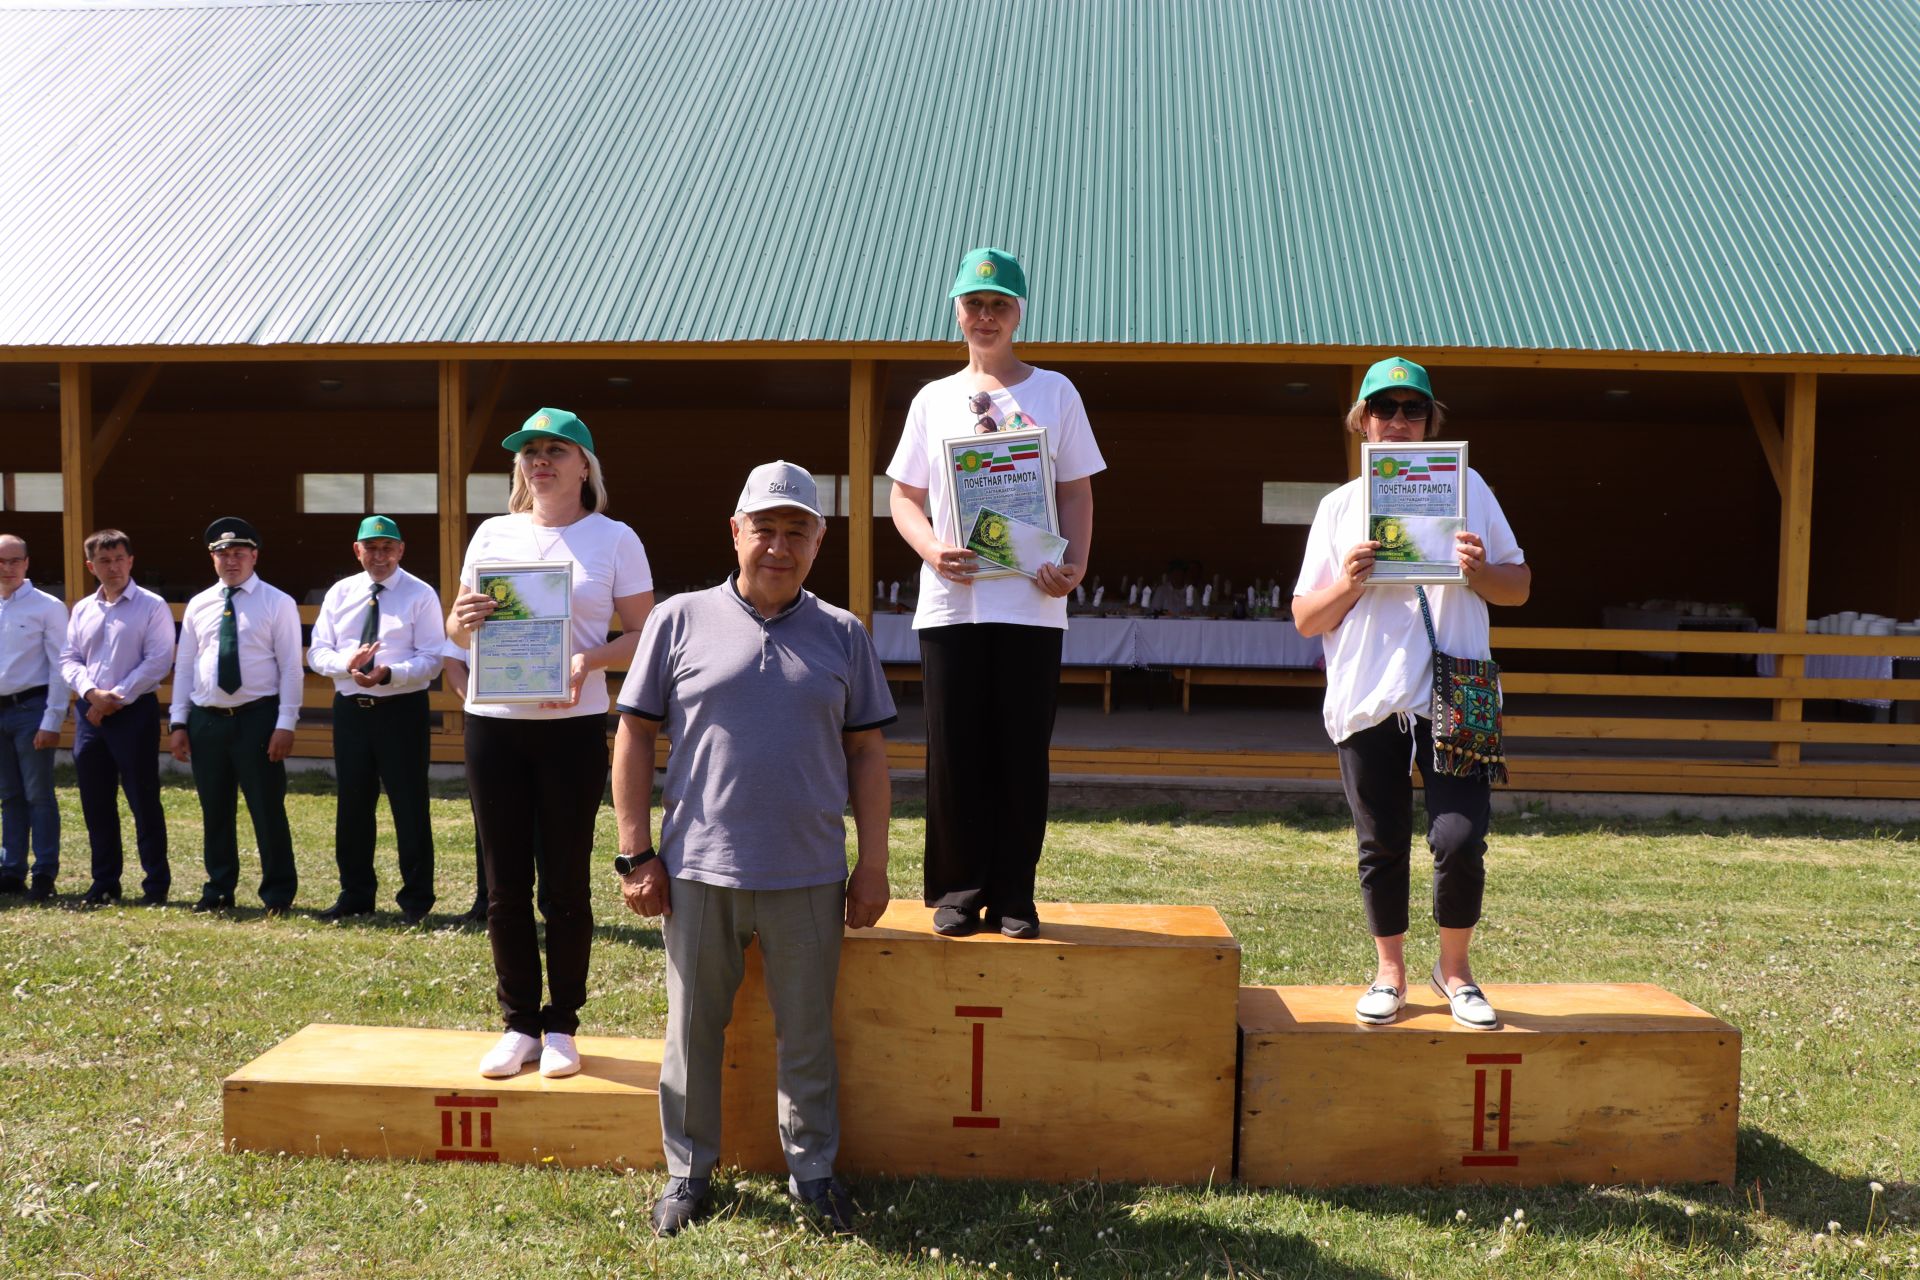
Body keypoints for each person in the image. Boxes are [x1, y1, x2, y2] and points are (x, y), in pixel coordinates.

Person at [612, 462, 894, 1237]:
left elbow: (868, 755)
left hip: (809, 874)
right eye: (763, 528)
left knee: (806, 1032)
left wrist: (872, 864)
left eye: (796, 530)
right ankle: (687, 1172)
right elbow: (634, 733)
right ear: (735, 533)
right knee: (692, 1032)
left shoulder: (843, 633)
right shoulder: (679, 619)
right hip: (698, 870)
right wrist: (637, 853)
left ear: (818, 541)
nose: (779, 545)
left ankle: (812, 1170)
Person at [1291, 357, 1530, 1030]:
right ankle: (1389, 973)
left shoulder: (1470, 488)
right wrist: (1349, 582)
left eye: (1412, 409)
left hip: (1458, 688)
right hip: (1369, 694)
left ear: (1431, 423)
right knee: (1383, 838)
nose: (1397, 421)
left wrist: (1481, 571)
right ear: (1360, 422)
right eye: (1383, 409)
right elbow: (1307, 617)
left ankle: (1454, 971)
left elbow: (1519, 586)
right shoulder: (1338, 508)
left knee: (1459, 838)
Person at [885, 247, 1104, 939]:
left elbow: (1076, 491)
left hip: (1032, 603)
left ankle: (1014, 892)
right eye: (974, 304)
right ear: (957, 311)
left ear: (1019, 313)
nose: (985, 316)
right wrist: (930, 548)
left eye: (998, 304)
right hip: (953, 603)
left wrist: (1074, 564)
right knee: (953, 750)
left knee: (1019, 751)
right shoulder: (932, 399)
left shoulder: (1056, 393)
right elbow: (903, 496)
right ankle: (958, 888)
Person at [447, 408, 653, 1080]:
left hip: (570, 729)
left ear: (584, 465)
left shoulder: (615, 538)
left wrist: (586, 663)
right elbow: (458, 628)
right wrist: (463, 618)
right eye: (530, 452)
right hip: (494, 723)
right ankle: (517, 1026)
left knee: (564, 884)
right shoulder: (492, 534)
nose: (541, 461)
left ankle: (562, 1024)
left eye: (555, 450)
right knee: (504, 885)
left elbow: (643, 634)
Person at [306, 516, 445, 925]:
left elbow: (432, 658)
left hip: (401, 710)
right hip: (352, 710)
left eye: (388, 548)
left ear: (401, 551)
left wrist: (390, 673)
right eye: (372, 548)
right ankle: (356, 894)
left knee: (409, 804)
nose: (380, 556)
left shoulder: (420, 594)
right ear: (357, 550)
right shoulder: (340, 592)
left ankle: (416, 899)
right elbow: (317, 652)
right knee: (352, 804)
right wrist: (344, 664)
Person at [169, 517, 304, 915]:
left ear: (254, 556)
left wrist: (286, 723)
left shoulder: (277, 602)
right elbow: (185, 666)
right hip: (207, 720)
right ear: (212, 559)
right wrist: (179, 722)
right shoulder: (200, 604)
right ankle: (219, 888)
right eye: (223, 554)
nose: (231, 561)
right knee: (215, 809)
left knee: (267, 808)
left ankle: (278, 893)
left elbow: (292, 668)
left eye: (239, 554)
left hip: (257, 719)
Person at [61, 529, 175, 907]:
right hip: (90, 714)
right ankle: (104, 881)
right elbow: (69, 659)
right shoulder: (82, 609)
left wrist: (114, 698)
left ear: (131, 560)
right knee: (96, 801)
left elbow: (158, 660)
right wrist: (92, 694)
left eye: (120, 559)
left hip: (134, 713)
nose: (114, 567)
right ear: (91, 566)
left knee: (142, 799)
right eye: (105, 561)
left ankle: (155, 884)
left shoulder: (152, 605)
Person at [0, 534, 71, 903]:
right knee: (9, 795)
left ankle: (44, 871)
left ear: (27, 563)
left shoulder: (48, 607)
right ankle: (11, 870)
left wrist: (52, 719)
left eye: (14, 560)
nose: (7, 568)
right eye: (1, 561)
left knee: (37, 795)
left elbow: (61, 666)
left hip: (31, 709)